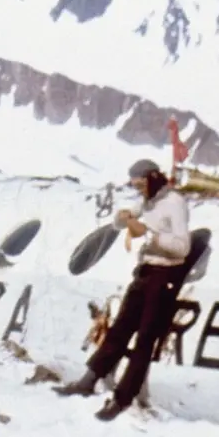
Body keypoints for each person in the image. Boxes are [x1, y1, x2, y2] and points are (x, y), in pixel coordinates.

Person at [53, 159, 192, 421]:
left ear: (152, 178)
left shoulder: (174, 203)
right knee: (118, 331)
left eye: (140, 183)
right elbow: (123, 223)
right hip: (145, 273)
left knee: (144, 342)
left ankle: (122, 399)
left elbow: (182, 247)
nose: (139, 189)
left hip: (164, 277)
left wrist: (150, 236)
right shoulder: (149, 200)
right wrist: (122, 219)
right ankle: (88, 380)